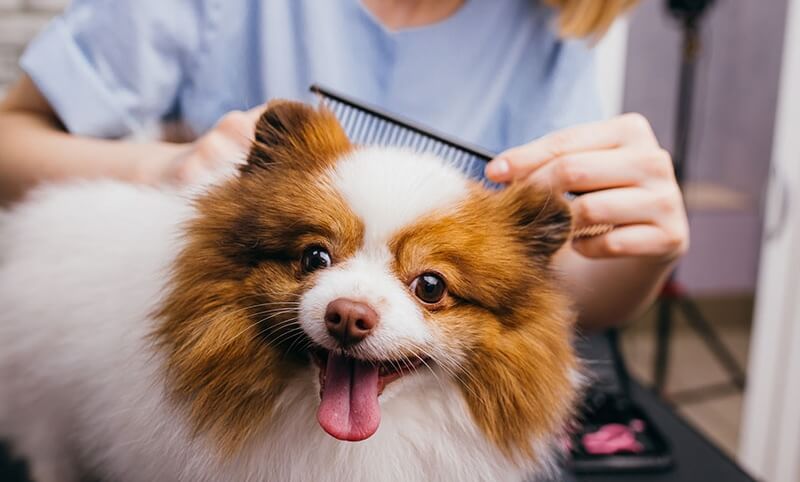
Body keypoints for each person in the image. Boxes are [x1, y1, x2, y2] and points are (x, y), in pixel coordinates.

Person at [0, 0, 688, 330]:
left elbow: (555, 297)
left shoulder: (549, 28)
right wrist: (166, 170)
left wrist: (644, 254)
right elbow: (12, 138)